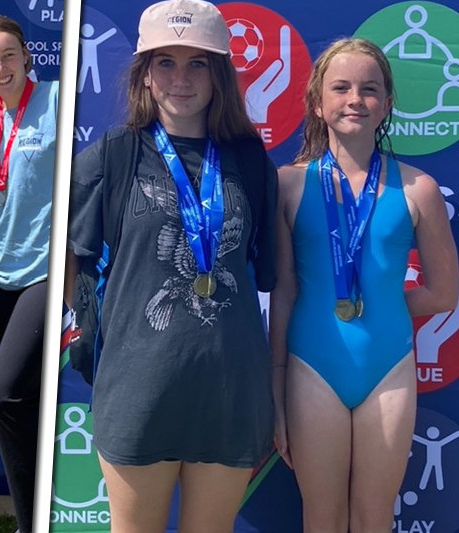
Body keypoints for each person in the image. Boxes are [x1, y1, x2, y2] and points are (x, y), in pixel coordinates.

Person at [65, 0, 278, 531]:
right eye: (165, 62)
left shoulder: (251, 161)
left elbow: (274, 277)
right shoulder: (110, 157)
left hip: (229, 392)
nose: (180, 79)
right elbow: (73, 270)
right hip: (138, 390)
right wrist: (101, 340)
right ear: (143, 72)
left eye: (197, 63)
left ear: (219, 74)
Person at [270, 37, 459, 533]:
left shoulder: (418, 189)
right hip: (312, 368)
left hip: (388, 370)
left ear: (387, 104)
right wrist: (275, 390)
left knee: (374, 519)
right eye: (341, 87)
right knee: (322, 519)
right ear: (317, 102)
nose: (355, 98)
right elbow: (284, 292)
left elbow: (443, 293)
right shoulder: (289, 186)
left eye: (369, 89)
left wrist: (377, 304)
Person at [0, 15, 58, 533]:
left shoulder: (59, 103)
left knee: (1, 396)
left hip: (50, 274)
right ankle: (41, 516)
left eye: (8, 55)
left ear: (27, 55)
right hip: (2, 272)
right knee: (25, 405)